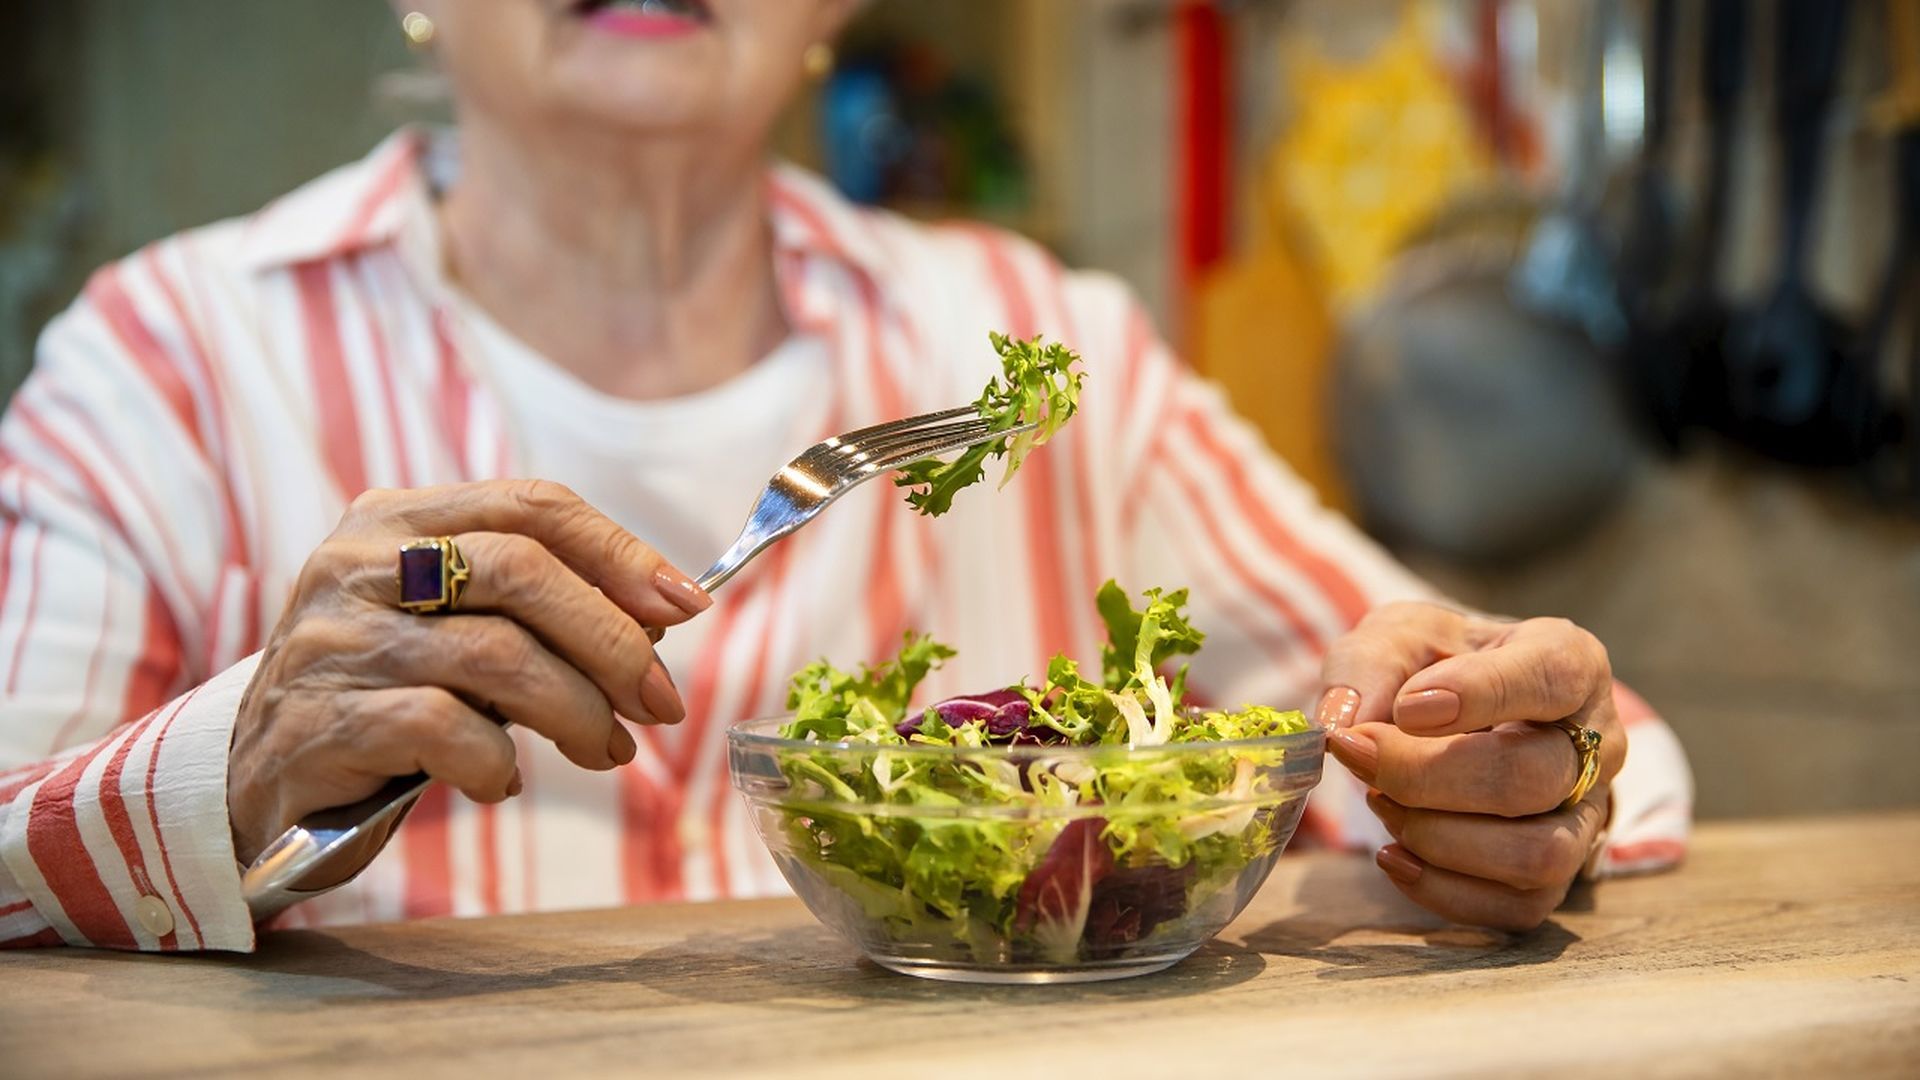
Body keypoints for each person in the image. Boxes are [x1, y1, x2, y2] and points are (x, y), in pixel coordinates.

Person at [0, 0, 1688, 952]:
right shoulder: (165, 365)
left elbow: (1581, 753)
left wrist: (1499, 753)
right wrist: (232, 767)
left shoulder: (1033, 336)